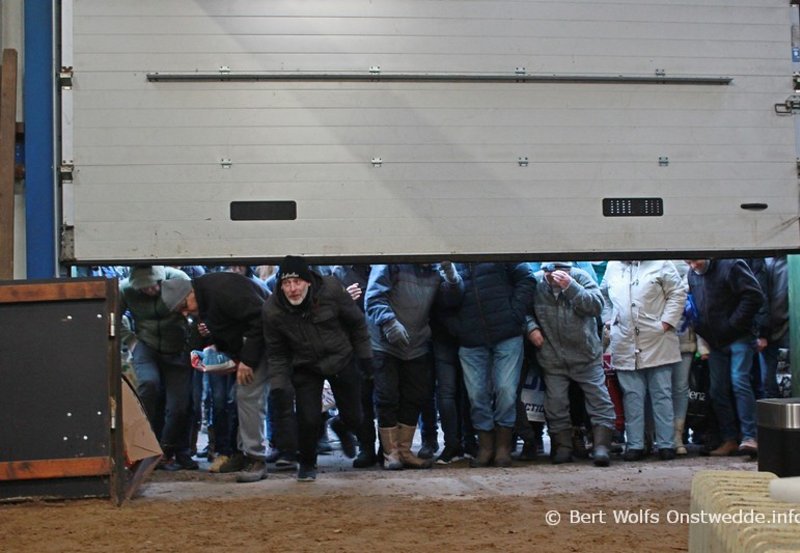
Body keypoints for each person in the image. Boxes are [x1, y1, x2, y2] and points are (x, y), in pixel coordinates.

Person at [262, 256, 374, 482]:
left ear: (308, 282)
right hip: (305, 365)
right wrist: (279, 385)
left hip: (341, 358)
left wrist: (365, 357)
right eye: (286, 284)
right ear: (280, 285)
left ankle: (341, 426)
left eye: (297, 282)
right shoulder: (272, 310)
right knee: (308, 417)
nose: (292, 289)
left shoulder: (331, 288)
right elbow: (277, 353)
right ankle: (307, 463)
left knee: (355, 417)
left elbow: (357, 323)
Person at [161, 270, 277, 483]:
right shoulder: (207, 297)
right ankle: (244, 454)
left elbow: (260, 320)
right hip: (253, 343)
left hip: (269, 339)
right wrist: (232, 358)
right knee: (238, 396)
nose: (186, 313)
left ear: (190, 293)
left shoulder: (223, 291)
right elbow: (230, 329)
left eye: (184, 307)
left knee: (248, 396)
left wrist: (248, 361)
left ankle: (256, 458)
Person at [365, 263, 459, 470]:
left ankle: (404, 451)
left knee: (414, 396)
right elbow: (373, 298)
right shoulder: (389, 265)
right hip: (384, 343)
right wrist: (389, 322)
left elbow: (450, 302)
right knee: (387, 397)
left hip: (416, 344)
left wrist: (452, 277)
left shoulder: (437, 271)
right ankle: (390, 453)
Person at [443, 262, 536, 468]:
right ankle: (485, 446)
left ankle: (503, 446)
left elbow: (526, 278)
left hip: (507, 333)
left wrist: (515, 314)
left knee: (506, 390)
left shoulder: (496, 244)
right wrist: (458, 328)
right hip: (470, 338)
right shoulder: (451, 260)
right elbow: (443, 301)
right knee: (476, 395)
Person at [527, 262, 617, 466]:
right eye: (549, 271)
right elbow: (523, 309)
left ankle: (602, 446)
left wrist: (571, 287)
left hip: (585, 355)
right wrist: (531, 328)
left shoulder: (582, 276)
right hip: (553, 357)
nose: (554, 275)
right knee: (556, 403)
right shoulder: (536, 282)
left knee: (599, 399)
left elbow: (596, 306)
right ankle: (562, 446)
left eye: (561, 271)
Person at [602, 260, 686, 461]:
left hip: (658, 339)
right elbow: (603, 295)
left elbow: (678, 292)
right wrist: (609, 319)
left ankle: (666, 444)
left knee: (662, 394)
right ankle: (635, 445)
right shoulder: (612, 265)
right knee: (632, 396)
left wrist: (666, 322)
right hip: (624, 340)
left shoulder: (662, 263)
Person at [120, 265, 197, 471]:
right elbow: (111, 318)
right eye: (143, 288)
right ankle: (144, 446)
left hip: (178, 346)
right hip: (146, 345)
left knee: (179, 405)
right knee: (148, 384)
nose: (151, 291)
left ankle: (173, 450)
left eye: (154, 286)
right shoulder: (124, 290)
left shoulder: (179, 279)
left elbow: (195, 308)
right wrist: (131, 340)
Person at [686, 258, 765, 455]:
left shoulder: (731, 265)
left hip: (739, 336)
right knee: (717, 389)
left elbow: (754, 295)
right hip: (716, 341)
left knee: (740, 382)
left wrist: (733, 324)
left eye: (695, 260)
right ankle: (729, 438)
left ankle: (750, 437)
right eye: (688, 262)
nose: (693, 266)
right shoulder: (693, 274)